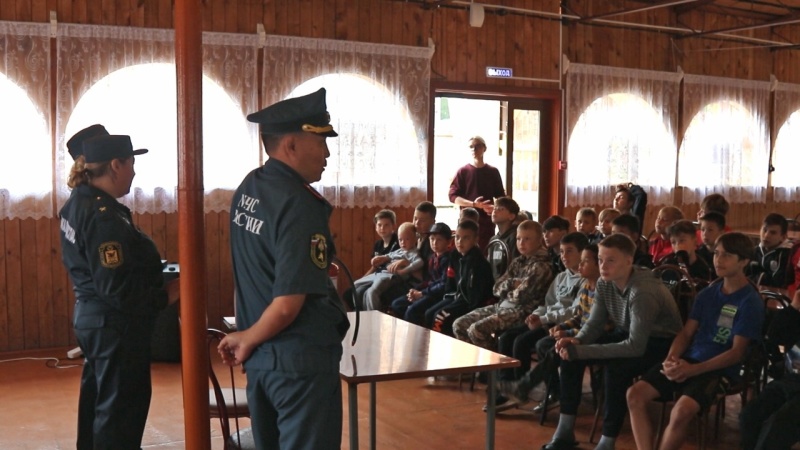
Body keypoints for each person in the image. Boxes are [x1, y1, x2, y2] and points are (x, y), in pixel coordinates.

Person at [218, 88, 349, 450]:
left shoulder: (250, 187)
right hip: (299, 364)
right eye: (320, 142)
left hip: (261, 362)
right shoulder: (299, 204)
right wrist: (247, 338)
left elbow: (246, 275)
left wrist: (248, 336)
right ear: (291, 145)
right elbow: (290, 301)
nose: (326, 153)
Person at [59, 131, 180, 450]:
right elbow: (118, 289)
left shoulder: (80, 201)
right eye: (131, 163)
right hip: (116, 327)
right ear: (116, 165)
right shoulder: (103, 218)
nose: (135, 171)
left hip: (94, 320)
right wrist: (170, 294)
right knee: (120, 414)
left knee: (99, 404)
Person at [542, 234, 682, 450]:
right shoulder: (605, 283)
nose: (603, 266)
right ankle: (565, 432)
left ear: (628, 260)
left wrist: (585, 351)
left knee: (616, 370)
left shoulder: (642, 291)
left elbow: (636, 347)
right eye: (600, 259)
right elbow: (595, 324)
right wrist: (577, 340)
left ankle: (607, 441)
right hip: (627, 334)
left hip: (660, 343)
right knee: (570, 355)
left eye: (610, 260)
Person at [627, 232, 764, 450]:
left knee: (681, 411)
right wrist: (671, 359)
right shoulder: (707, 294)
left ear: (745, 261)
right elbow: (686, 333)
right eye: (717, 254)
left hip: (720, 369)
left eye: (727, 255)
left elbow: (737, 353)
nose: (718, 260)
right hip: (690, 360)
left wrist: (694, 370)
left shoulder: (750, 301)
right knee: (635, 394)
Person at [495, 232, 588, 410]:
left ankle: (548, 392)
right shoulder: (561, 277)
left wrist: (544, 319)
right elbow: (549, 302)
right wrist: (537, 315)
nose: (564, 256)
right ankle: (509, 387)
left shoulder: (586, 280)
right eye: (561, 252)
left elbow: (574, 312)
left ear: (582, 253)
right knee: (508, 337)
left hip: (562, 323)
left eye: (569, 251)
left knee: (525, 342)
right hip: (549, 319)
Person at [453, 220, 554, 351]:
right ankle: (473, 366)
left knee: (477, 329)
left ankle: (491, 366)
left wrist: (508, 290)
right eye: (518, 239)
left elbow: (521, 296)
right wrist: (512, 283)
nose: (521, 243)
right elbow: (496, 288)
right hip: (502, 306)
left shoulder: (541, 266)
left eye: (527, 239)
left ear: (540, 240)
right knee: (459, 324)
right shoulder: (519, 261)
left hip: (523, 311)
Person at [740, 290, 800, 450]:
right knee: (749, 416)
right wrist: (793, 308)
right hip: (791, 381)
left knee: (777, 427)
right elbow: (774, 338)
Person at [425, 220, 494, 336]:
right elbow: (450, 283)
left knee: (441, 317)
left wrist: (456, 304)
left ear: (475, 239)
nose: (459, 241)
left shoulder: (479, 263)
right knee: (428, 313)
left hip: (470, 302)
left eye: (465, 238)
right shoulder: (455, 256)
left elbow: (476, 296)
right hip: (455, 297)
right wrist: (449, 298)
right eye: (457, 237)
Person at [448, 136, 506, 250]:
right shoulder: (463, 171)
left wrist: (494, 208)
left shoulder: (493, 172)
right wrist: (473, 204)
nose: (474, 149)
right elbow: (452, 196)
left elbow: (501, 197)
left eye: (477, 146)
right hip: (467, 219)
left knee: (485, 250)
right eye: (471, 147)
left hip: (487, 221)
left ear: (484, 148)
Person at [390, 222, 452, 325]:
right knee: (397, 304)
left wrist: (422, 293)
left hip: (438, 295)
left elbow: (443, 285)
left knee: (412, 311)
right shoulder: (432, 258)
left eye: (439, 240)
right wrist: (415, 290)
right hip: (428, 291)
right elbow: (428, 280)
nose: (435, 243)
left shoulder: (449, 260)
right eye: (432, 239)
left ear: (448, 242)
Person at [352, 222, 424, 311]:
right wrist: (379, 258)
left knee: (372, 292)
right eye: (400, 239)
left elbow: (419, 262)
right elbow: (388, 255)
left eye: (407, 239)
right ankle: (360, 315)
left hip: (391, 276)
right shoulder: (399, 250)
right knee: (355, 285)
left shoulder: (413, 253)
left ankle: (374, 317)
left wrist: (405, 270)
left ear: (415, 239)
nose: (403, 242)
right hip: (381, 273)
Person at [749, 212, 793, 289]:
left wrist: (757, 277)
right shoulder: (755, 250)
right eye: (764, 230)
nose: (766, 235)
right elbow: (743, 275)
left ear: (783, 237)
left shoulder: (787, 254)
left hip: (777, 296)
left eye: (773, 233)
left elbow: (777, 282)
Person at [487, 196, 522, 279]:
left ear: (511, 216)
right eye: (495, 208)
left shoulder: (515, 237)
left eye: (501, 209)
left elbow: (515, 266)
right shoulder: (493, 239)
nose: (495, 211)